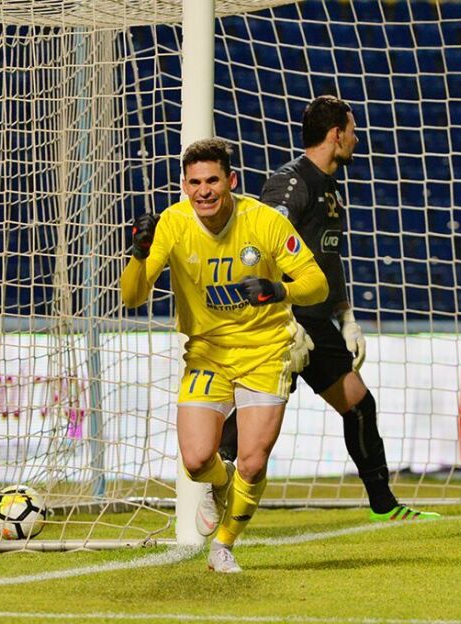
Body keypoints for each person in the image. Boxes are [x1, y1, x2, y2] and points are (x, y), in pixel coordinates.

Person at [219, 95, 440, 523]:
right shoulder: (290, 183)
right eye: (353, 131)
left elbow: (328, 259)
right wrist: (282, 316)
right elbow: (260, 248)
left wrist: (347, 317)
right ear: (336, 134)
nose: (357, 139)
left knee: (358, 404)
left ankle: (384, 506)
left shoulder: (328, 186)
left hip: (317, 320)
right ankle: (207, 475)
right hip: (286, 319)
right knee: (258, 417)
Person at [121, 138, 328, 572]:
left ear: (231, 181)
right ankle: (220, 483)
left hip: (265, 350)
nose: (204, 191)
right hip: (207, 354)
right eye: (195, 182)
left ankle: (223, 546)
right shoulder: (173, 223)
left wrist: (279, 290)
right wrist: (138, 254)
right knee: (197, 461)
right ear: (185, 186)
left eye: (212, 180)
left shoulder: (264, 221)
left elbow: (317, 284)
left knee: (252, 462)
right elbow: (132, 297)